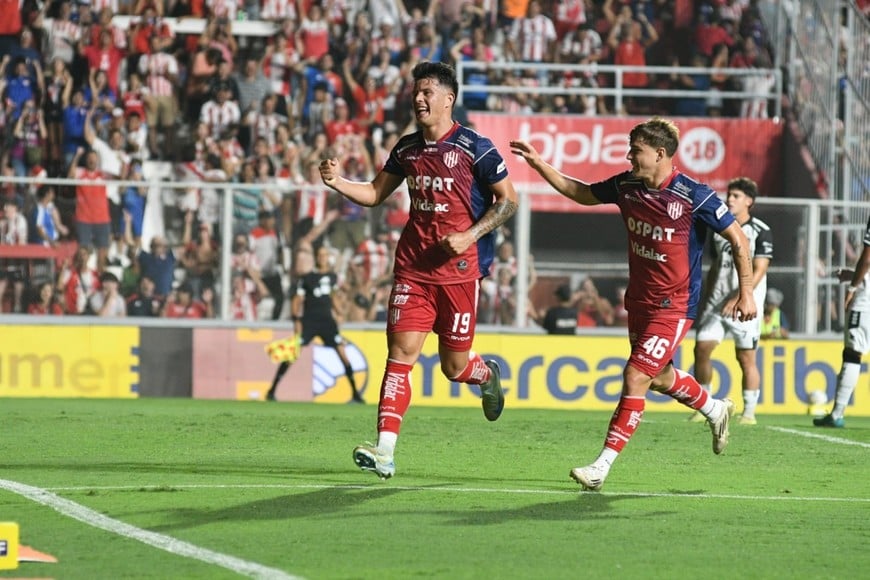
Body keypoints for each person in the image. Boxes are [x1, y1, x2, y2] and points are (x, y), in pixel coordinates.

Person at [510, 116, 756, 491]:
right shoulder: (626, 185)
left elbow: (738, 240)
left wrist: (748, 292)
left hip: (674, 305)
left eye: (635, 151)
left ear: (660, 154)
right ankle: (714, 408)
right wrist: (541, 164)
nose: (628, 157)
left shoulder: (694, 195)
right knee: (658, 377)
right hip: (639, 301)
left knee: (636, 375)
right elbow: (582, 192)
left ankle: (601, 467)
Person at [318, 61, 519, 480]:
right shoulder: (407, 148)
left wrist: (469, 235)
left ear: (449, 99)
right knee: (400, 356)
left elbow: (509, 202)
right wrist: (338, 182)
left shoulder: (475, 148)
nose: (419, 98)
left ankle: (486, 375)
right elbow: (375, 193)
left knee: (453, 366)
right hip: (413, 270)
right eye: (416, 91)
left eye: (428, 92)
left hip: (460, 273)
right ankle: (385, 452)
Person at [691, 177, 773, 426]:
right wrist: (707, 299)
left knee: (745, 358)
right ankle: (703, 405)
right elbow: (717, 266)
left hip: (745, 306)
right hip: (717, 304)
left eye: (736, 196)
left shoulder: (760, 230)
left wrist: (739, 296)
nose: (729, 200)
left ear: (749, 201)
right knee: (702, 348)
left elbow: (760, 269)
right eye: (729, 195)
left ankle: (749, 412)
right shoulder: (720, 229)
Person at [265, 245, 364, 403]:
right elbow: (297, 300)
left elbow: (333, 298)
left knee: (343, 355)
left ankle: (355, 393)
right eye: (320, 255)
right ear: (316, 258)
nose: (322, 258)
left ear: (328, 257)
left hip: (327, 322)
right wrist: (296, 320)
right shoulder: (307, 278)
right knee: (292, 354)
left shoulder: (332, 277)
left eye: (325, 255)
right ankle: (272, 390)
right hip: (309, 321)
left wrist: (340, 313)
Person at [813, 218, 870, 429]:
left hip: (866, 300)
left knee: (853, 353)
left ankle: (837, 414)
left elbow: (867, 257)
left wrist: (853, 287)